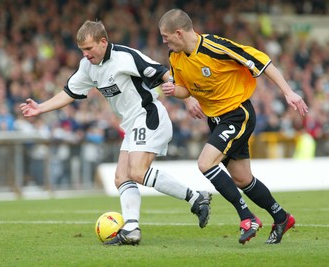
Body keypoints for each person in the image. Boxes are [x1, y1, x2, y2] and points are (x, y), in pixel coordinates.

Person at [20, 20, 212, 246]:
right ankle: (131, 229)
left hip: (148, 115)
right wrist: (41, 107)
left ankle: (195, 197)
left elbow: (163, 73)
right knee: (122, 178)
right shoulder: (87, 66)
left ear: (103, 42)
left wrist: (188, 98)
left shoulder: (126, 56)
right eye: (82, 50)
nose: (86, 54)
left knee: (137, 171)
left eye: (89, 49)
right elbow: (69, 92)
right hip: (131, 124)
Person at [158, 9, 309, 244]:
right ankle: (282, 217)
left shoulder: (215, 47)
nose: (164, 41)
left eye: (166, 36)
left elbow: (262, 61)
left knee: (205, 163)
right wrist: (175, 92)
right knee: (242, 179)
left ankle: (247, 217)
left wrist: (288, 92)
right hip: (215, 119)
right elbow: (185, 88)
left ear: (178, 33)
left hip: (237, 114)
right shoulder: (175, 57)